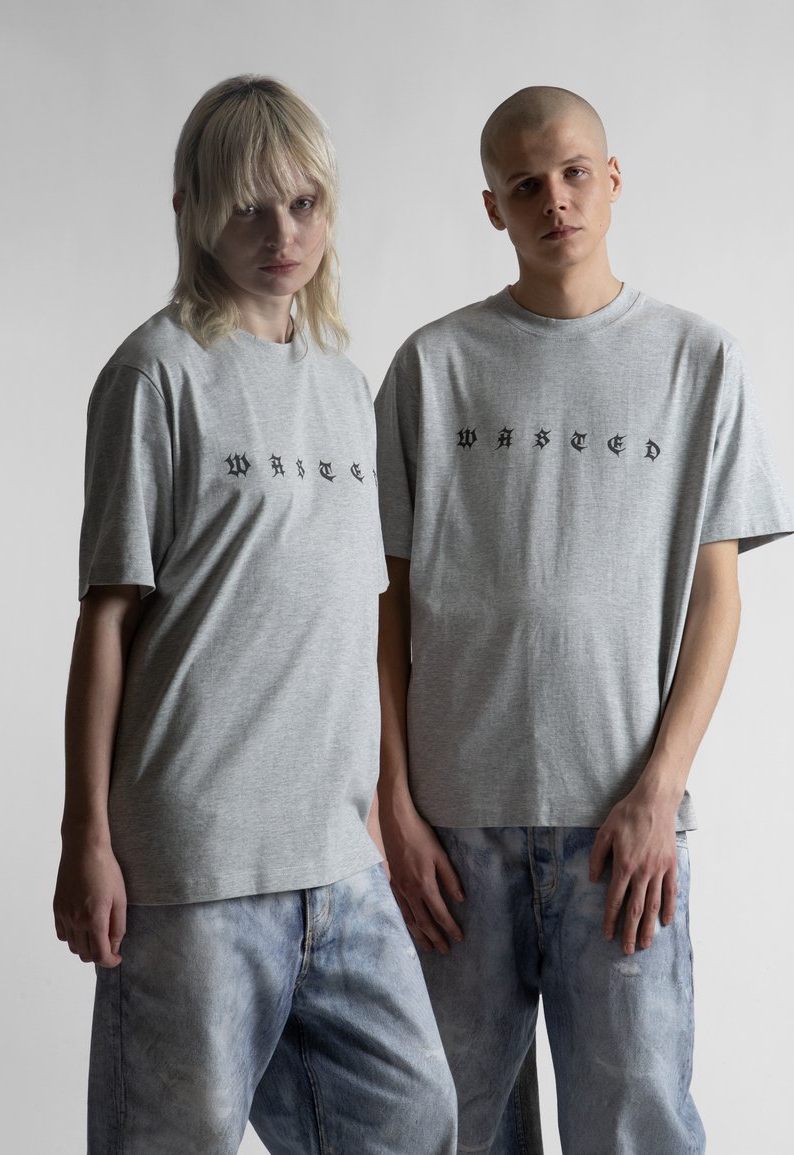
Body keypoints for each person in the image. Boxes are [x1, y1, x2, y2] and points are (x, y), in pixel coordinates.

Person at [374, 85, 792, 1155]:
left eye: (571, 173)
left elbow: (717, 598)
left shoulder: (698, 363)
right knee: (449, 1130)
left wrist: (659, 792)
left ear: (611, 179)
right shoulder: (431, 367)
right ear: (492, 209)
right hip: (452, 835)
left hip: (622, 832)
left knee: (635, 1126)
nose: (552, 199)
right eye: (523, 185)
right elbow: (383, 606)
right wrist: (393, 808)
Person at [53, 75, 457, 1155]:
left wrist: (379, 811)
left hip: (337, 859)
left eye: (303, 204)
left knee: (414, 1119)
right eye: (248, 207)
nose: (283, 235)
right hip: (194, 865)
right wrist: (85, 838)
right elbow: (107, 622)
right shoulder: (155, 376)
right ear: (190, 209)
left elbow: (349, 622)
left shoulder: (343, 388)